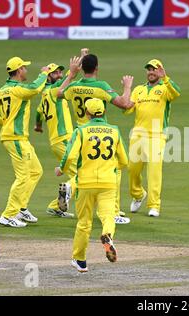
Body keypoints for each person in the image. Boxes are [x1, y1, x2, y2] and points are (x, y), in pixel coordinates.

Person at [55, 98, 128, 273]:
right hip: (108, 182)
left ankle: (80, 260)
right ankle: (107, 235)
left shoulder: (81, 130)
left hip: (86, 183)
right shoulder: (114, 131)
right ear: (103, 112)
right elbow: (124, 161)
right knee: (108, 216)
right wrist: (110, 168)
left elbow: (70, 156)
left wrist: (61, 169)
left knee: (84, 223)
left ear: (87, 113)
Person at [60, 53, 134, 224]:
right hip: (100, 133)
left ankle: (71, 186)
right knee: (114, 169)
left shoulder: (74, 86)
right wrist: (128, 87)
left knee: (84, 169)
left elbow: (58, 93)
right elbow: (123, 103)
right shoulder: (101, 86)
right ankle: (113, 212)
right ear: (97, 69)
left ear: (82, 68)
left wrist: (71, 75)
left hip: (80, 133)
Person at [0, 57, 50, 227]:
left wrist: (3, 122)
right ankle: (8, 215)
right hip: (15, 138)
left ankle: (21, 208)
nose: (26, 70)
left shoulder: (1, 91)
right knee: (23, 177)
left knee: (36, 171)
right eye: (24, 68)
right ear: (19, 70)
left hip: (17, 138)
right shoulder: (17, 89)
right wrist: (44, 73)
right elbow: (35, 88)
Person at [125, 59, 181, 217]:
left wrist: (166, 78)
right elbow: (128, 109)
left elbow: (176, 92)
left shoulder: (165, 88)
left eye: (154, 69)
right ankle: (138, 195)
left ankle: (154, 205)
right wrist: (126, 92)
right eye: (149, 69)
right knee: (132, 169)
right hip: (138, 134)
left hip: (157, 135)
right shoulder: (139, 90)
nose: (151, 72)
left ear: (160, 71)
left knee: (154, 171)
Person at [34, 55, 83, 218]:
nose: (60, 75)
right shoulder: (54, 90)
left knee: (77, 173)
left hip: (57, 141)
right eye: (56, 73)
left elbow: (39, 113)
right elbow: (68, 80)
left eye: (61, 72)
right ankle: (67, 191)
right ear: (49, 77)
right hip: (64, 139)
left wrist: (38, 126)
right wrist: (72, 74)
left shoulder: (44, 96)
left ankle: (55, 206)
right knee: (82, 175)